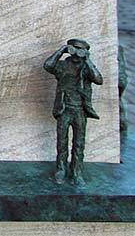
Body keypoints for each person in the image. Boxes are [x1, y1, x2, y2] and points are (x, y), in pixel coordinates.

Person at [44, 38, 103, 185]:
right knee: (62, 142)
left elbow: (98, 79)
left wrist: (88, 60)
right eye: (74, 49)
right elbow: (48, 65)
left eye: (80, 51)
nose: (77, 54)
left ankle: (77, 171)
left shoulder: (86, 68)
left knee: (79, 144)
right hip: (64, 109)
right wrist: (61, 51)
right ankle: (61, 169)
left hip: (80, 111)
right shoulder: (63, 66)